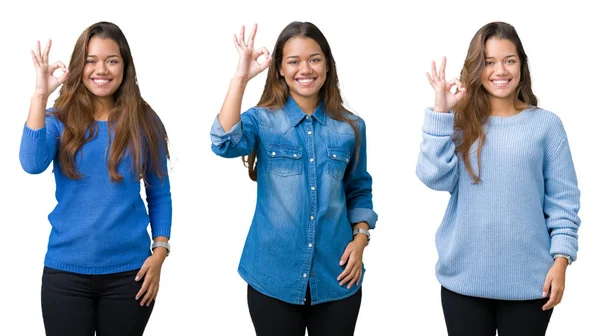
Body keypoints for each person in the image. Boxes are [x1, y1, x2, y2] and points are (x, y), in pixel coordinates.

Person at [210, 22, 377, 336]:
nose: (306, 69)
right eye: (294, 61)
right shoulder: (261, 120)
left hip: (337, 279)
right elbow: (223, 142)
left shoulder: (351, 127)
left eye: (314, 59)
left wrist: (361, 240)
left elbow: (358, 190)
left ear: (327, 65)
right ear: (280, 70)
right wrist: (241, 77)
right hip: (272, 279)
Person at [416, 21, 581, 336]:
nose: (500, 70)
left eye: (509, 60)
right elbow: (432, 176)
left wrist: (561, 262)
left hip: (531, 284)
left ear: (521, 64)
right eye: (489, 62)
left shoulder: (546, 126)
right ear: (477, 68)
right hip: (463, 281)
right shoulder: (460, 123)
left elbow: (563, 202)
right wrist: (441, 111)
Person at [19, 21, 172, 336]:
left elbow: (159, 194)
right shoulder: (58, 118)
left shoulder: (144, 120)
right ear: (79, 66)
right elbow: (32, 163)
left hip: (130, 277)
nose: (101, 69)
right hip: (65, 274)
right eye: (91, 60)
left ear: (124, 66)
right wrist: (39, 94)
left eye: (111, 60)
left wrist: (160, 253)